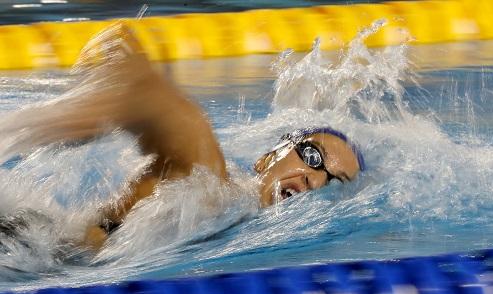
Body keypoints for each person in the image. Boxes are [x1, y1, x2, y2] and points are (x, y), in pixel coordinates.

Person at [1, 22, 364, 251]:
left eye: (334, 182)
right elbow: (150, 92)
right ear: (267, 158)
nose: (316, 180)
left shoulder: (239, 224)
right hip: (29, 243)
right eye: (313, 157)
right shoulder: (212, 186)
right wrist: (81, 113)